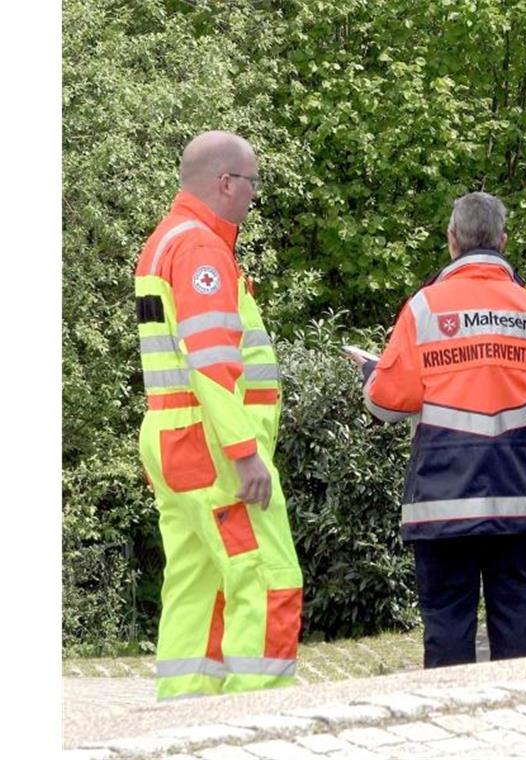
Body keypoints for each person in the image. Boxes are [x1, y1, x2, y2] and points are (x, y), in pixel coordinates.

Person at [348, 191, 526, 667]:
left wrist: (370, 373)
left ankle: (450, 726)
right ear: (502, 240)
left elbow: (386, 399)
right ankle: (514, 721)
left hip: (442, 502)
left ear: (451, 241)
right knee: (514, 619)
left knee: (446, 626)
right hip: (516, 500)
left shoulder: (423, 310)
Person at [135, 131, 303, 699]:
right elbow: (210, 360)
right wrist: (244, 452)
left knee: (196, 584)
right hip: (214, 449)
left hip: (175, 439)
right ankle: (255, 717)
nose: (255, 196)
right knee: (266, 578)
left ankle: (182, 717)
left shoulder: (164, 241)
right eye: (252, 182)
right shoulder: (201, 247)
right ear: (226, 182)